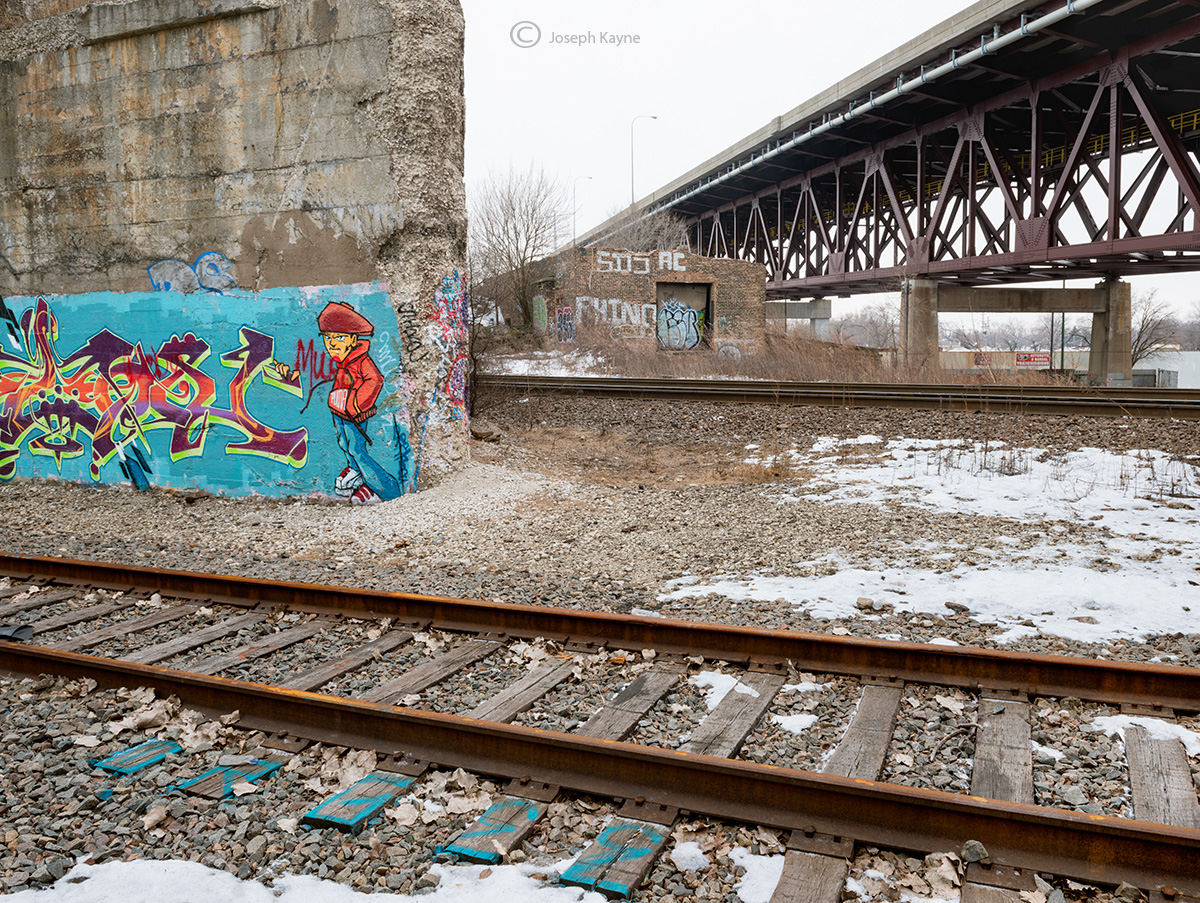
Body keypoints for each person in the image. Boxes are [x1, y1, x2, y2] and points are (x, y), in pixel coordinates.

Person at [276, 302, 401, 504]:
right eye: (328, 338)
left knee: (357, 450)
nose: (332, 344)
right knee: (345, 445)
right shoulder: (344, 361)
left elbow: (375, 380)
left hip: (353, 414)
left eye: (339, 338)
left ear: (353, 338)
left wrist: (352, 404)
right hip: (340, 413)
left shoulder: (360, 360)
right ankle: (356, 472)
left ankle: (388, 492)